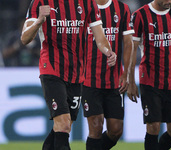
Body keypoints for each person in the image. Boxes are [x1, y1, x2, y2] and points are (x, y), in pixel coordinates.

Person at [21, 0, 117, 150]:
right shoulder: (40, 2)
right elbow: (25, 38)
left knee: (63, 126)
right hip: (51, 70)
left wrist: (108, 52)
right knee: (64, 124)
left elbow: (100, 37)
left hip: (76, 74)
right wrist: (39, 20)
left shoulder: (88, 3)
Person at [127, 0, 171, 150]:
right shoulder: (140, 15)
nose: (169, 1)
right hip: (150, 80)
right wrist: (130, 81)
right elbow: (132, 49)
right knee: (153, 127)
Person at [81, 0, 134, 149]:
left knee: (116, 130)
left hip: (114, 79)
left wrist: (126, 74)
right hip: (89, 79)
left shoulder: (122, 9)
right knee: (96, 126)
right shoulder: (84, 7)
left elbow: (128, 42)